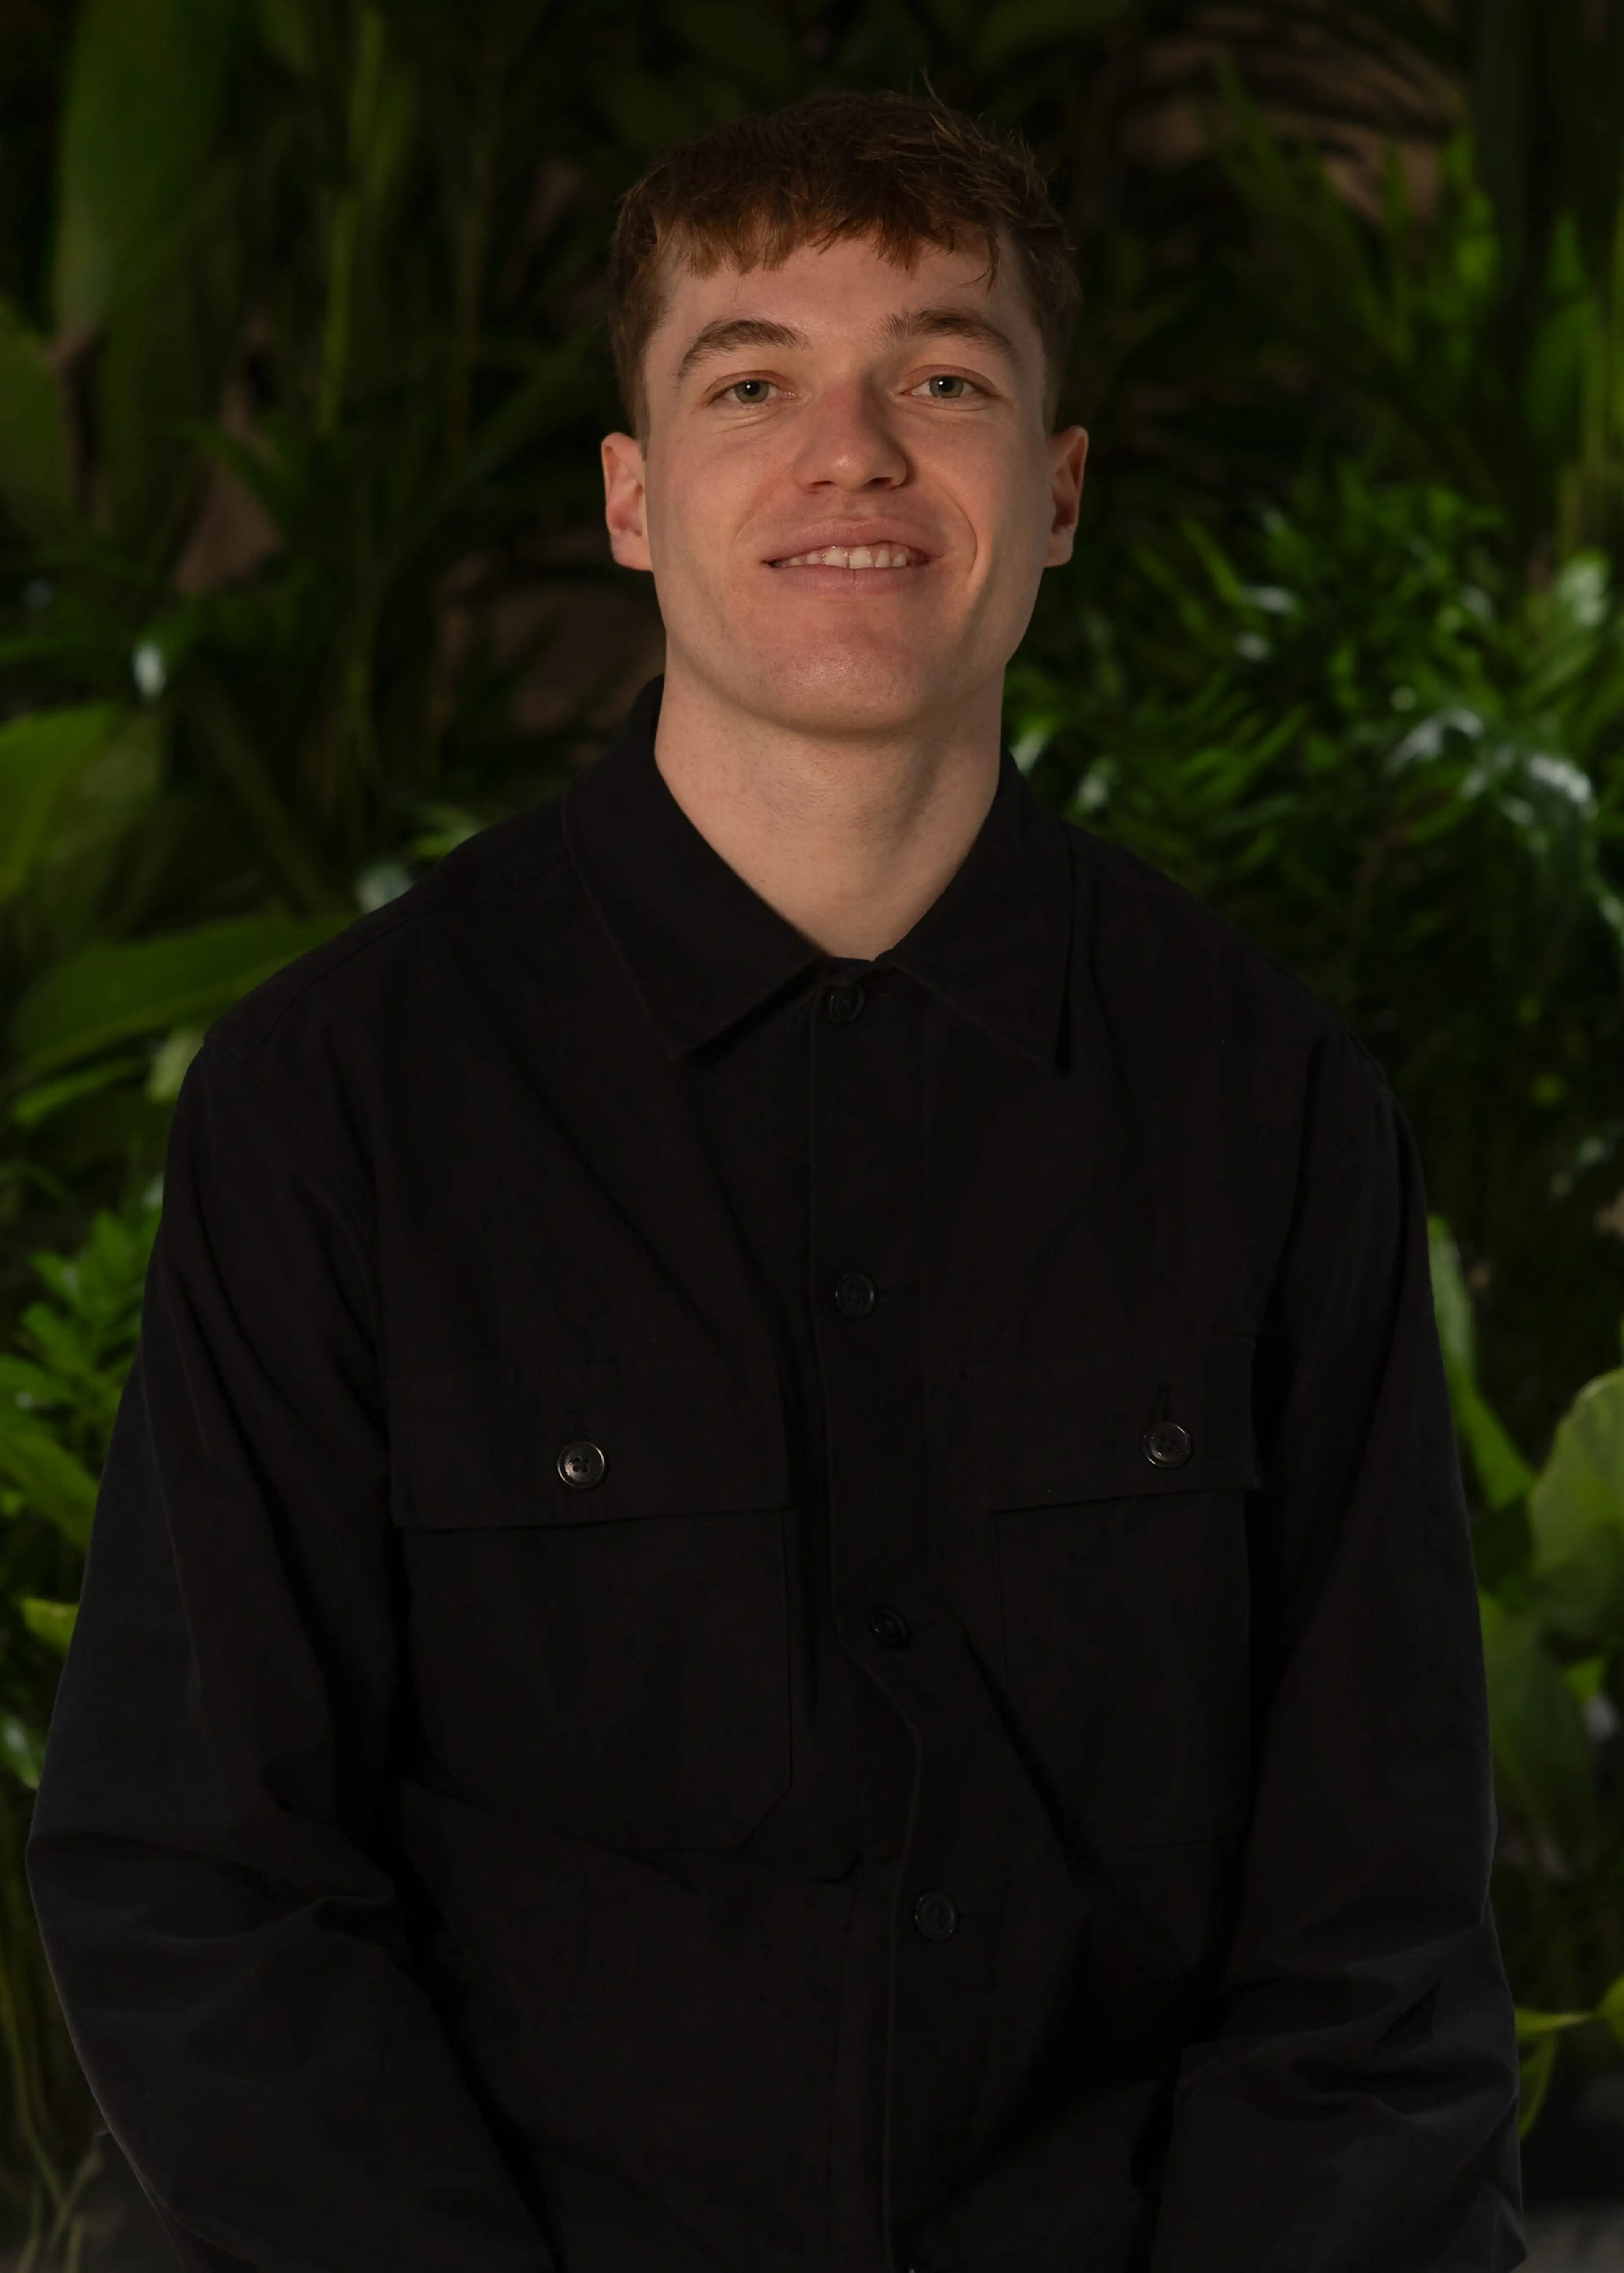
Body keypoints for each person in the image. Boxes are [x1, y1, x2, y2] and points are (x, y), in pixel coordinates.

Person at [27, 86, 1524, 2273]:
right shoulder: (334, 1099)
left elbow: (1371, 1922)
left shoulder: (1269, 1099)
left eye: (943, 376)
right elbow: (204, 1877)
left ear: (1058, 490)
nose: (856, 454)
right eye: (753, 383)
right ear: (634, 501)